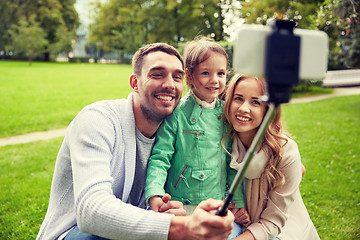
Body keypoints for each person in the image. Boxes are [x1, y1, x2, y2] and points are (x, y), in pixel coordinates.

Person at [36, 43, 235, 240]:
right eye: (157, 74)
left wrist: (165, 211)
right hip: (74, 233)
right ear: (134, 83)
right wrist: (180, 227)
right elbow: (91, 211)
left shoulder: (174, 131)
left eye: (177, 77)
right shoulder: (97, 120)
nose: (169, 84)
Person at [144, 38, 246, 239]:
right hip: (182, 206)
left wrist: (238, 203)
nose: (215, 80)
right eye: (206, 73)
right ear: (189, 76)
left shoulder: (226, 114)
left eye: (221, 73)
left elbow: (231, 162)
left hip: (216, 204)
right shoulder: (176, 114)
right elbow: (159, 158)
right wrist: (154, 194)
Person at [222, 74, 320, 240]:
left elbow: (272, 224)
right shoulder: (224, 141)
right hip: (243, 224)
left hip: (281, 231)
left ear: (268, 110)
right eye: (238, 98)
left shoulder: (286, 151)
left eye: (255, 102)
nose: (244, 109)